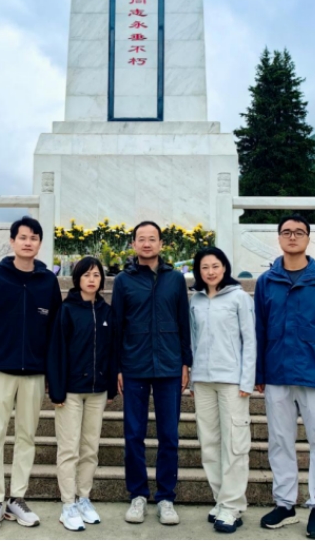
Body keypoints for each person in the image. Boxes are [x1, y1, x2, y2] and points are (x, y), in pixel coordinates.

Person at [254, 214, 315, 541]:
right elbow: (259, 329)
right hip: (277, 373)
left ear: (308, 238)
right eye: (286, 232)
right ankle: (285, 504)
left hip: (314, 374)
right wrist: (259, 372)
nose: (292, 237)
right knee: (280, 440)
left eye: (299, 232)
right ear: (279, 238)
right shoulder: (266, 281)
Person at [0, 216, 62, 532]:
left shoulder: (47, 282)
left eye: (34, 238)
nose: (28, 242)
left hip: (34, 372)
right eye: (22, 237)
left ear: (39, 243)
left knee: (26, 437)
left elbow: (55, 332)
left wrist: (51, 373)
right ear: (12, 241)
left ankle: (17, 498)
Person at [111, 221, 192, 526]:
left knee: (169, 435)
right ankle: (138, 495)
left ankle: (166, 497)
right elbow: (117, 325)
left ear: (161, 244)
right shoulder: (123, 281)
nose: (147, 244)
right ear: (133, 244)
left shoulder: (175, 280)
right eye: (141, 239)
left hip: (169, 365)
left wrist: (185, 362)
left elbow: (184, 322)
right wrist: (118, 367)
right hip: (134, 365)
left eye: (152, 239)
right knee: (134, 434)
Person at [190, 246, 256, 534]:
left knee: (234, 444)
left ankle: (232, 505)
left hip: (232, 381)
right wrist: (193, 379)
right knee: (209, 444)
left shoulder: (239, 297)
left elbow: (250, 340)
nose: (210, 272)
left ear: (225, 267)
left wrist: (247, 380)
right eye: (205, 267)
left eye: (215, 266)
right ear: (198, 271)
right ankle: (221, 500)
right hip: (203, 381)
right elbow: (192, 340)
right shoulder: (195, 300)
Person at [47, 256, 116, 532]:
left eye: (96, 275)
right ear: (77, 279)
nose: (91, 279)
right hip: (71, 392)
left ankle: (83, 498)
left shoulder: (107, 311)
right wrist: (57, 389)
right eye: (86, 274)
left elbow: (111, 351)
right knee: (68, 449)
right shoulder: (67, 310)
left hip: (97, 392)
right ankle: (68, 504)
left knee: (90, 449)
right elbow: (56, 351)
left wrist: (110, 385)